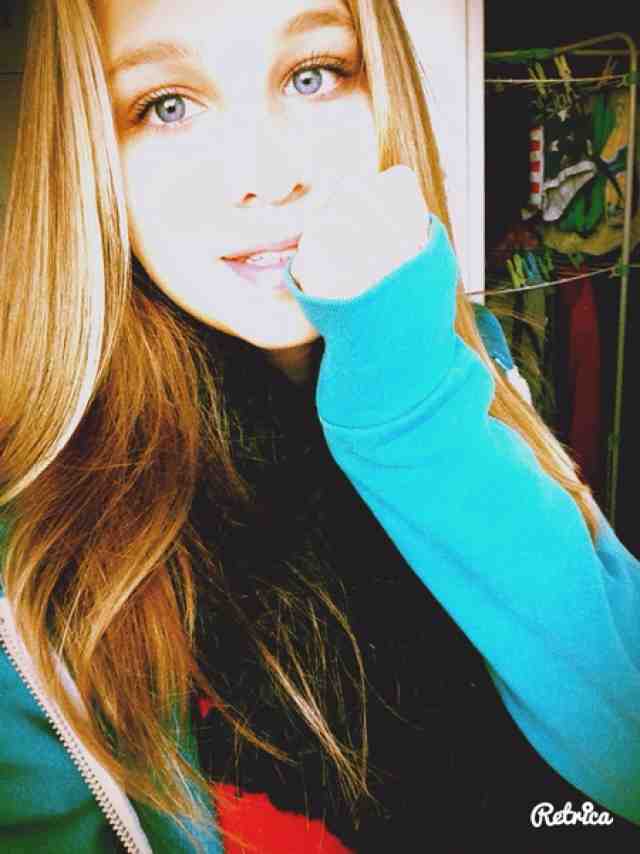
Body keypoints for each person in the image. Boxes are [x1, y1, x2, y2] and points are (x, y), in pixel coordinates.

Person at [1, 1, 640, 852]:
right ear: (89, 152)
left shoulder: (463, 358)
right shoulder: (32, 569)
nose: (265, 176)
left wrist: (411, 411)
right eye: (168, 105)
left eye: (313, 76)